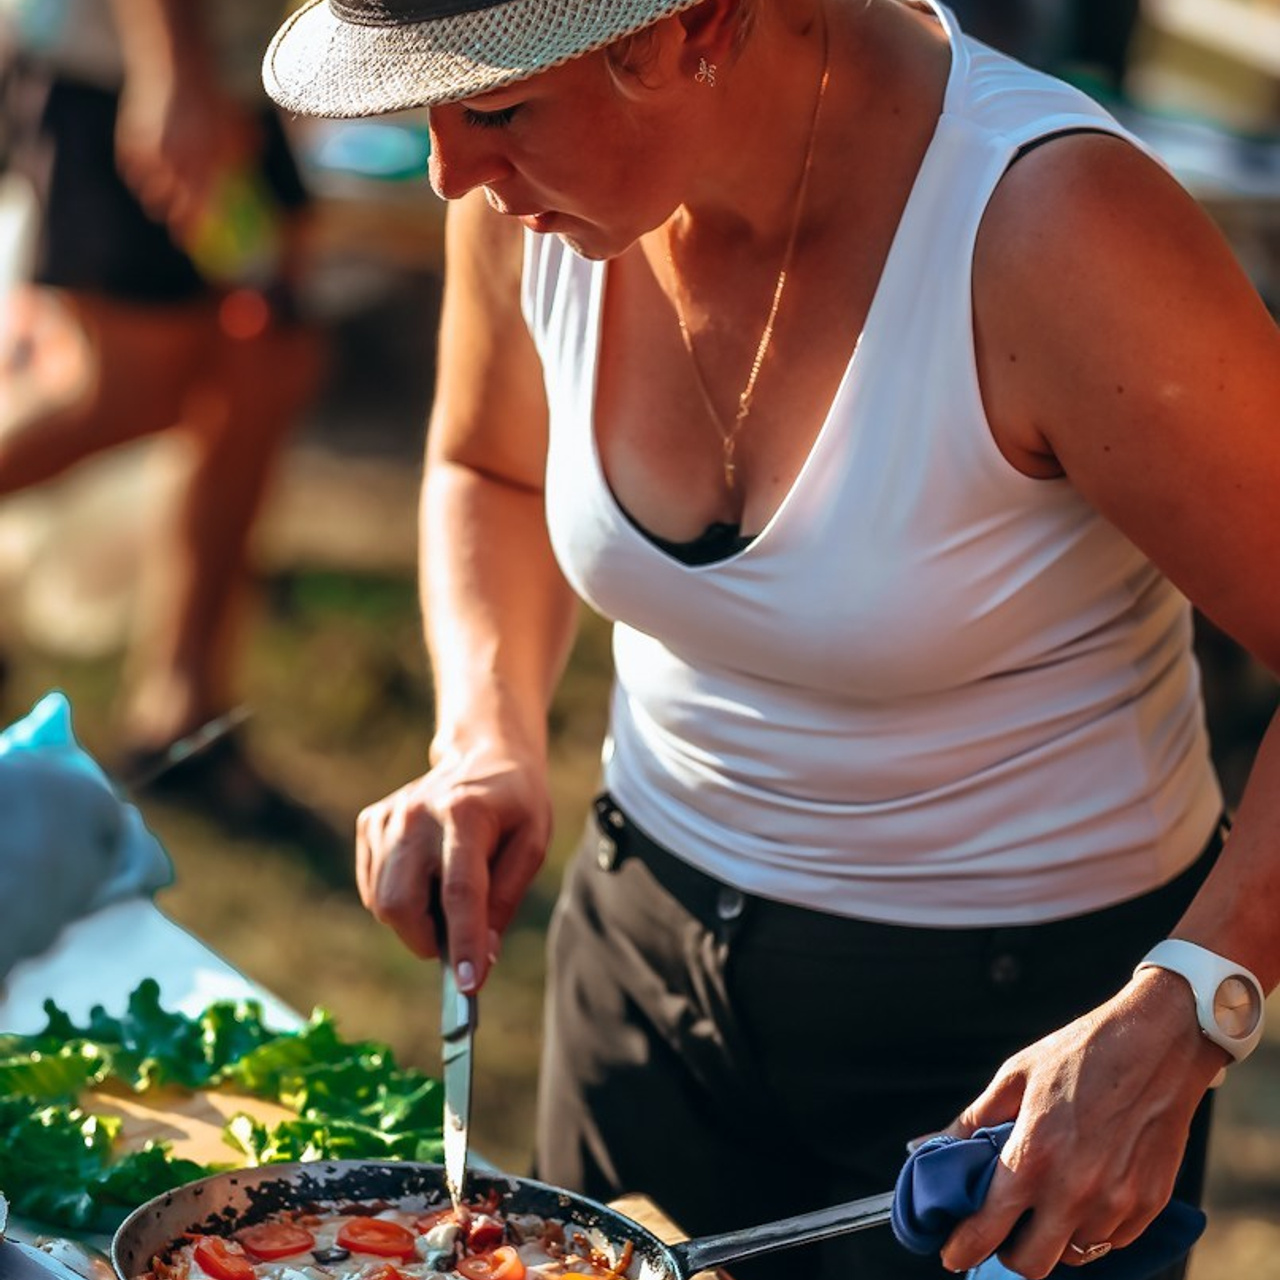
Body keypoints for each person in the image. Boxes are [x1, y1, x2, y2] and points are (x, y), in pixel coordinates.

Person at [264, 0, 1280, 1277]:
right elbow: (489, 466)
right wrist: (484, 733)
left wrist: (1191, 1005)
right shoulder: (519, 195)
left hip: (1014, 1062)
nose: (445, 171)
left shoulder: (1045, 225)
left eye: (496, 108)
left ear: (695, 26)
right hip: (639, 962)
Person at [0, 0, 337, 849]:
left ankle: (181, 719)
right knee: (131, 390)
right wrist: (170, 70)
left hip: (235, 76)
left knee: (264, 367)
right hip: (130, 73)